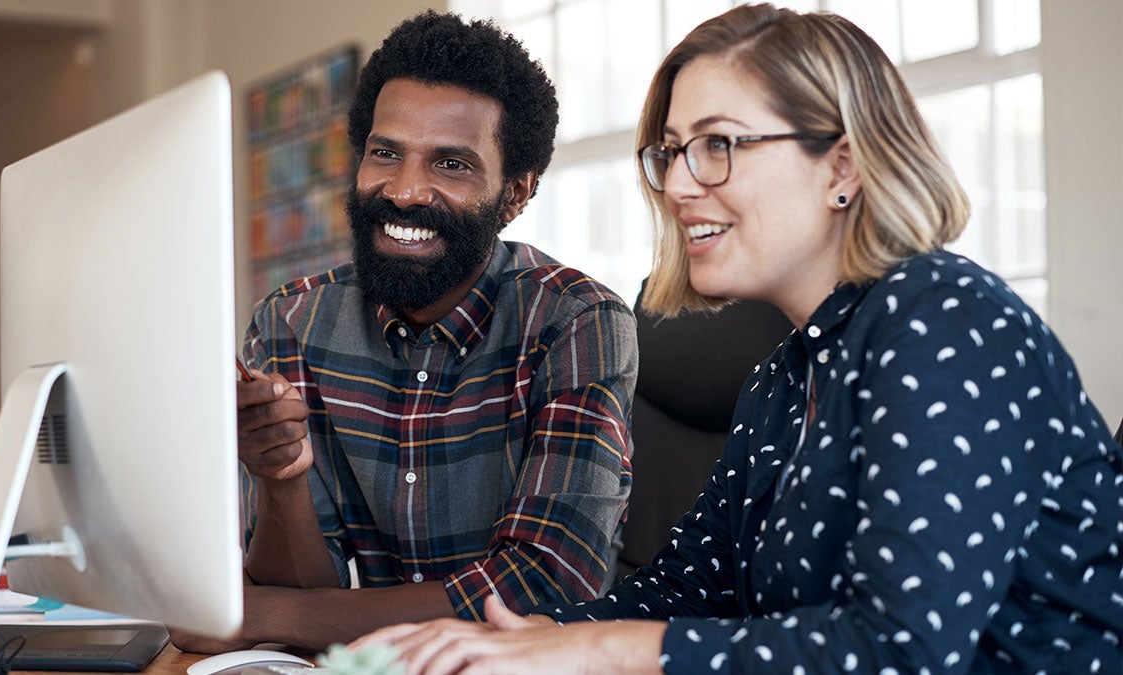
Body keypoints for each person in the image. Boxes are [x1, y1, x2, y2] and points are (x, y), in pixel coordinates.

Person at [351, 4, 1123, 673]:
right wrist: (502, 642)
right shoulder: (784, 379)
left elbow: (898, 649)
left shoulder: (945, 320)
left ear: (842, 167)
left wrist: (592, 653)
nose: (681, 184)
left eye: (719, 144)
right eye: (672, 150)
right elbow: (682, 588)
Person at [172, 11, 637, 653]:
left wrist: (258, 618)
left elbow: (544, 586)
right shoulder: (292, 321)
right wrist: (281, 482)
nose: (406, 190)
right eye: (385, 153)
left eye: (451, 164)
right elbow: (308, 589)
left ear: (516, 193)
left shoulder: (575, 320)